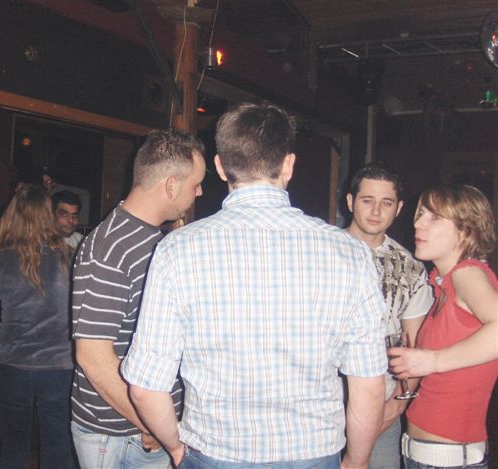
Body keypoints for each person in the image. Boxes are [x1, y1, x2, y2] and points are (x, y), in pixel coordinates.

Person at [121, 102, 387, 469]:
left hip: (214, 455)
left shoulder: (177, 251)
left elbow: (145, 387)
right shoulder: (351, 253)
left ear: (219, 167)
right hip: (313, 455)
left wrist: (177, 449)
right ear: (288, 165)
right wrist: (357, 461)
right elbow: (369, 384)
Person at [71, 128, 206, 469]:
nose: (199, 192)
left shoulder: (153, 239)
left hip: (144, 428)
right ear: (171, 185)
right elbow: (93, 357)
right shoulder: (111, 247)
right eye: (196, 184)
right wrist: (153, 424)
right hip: (117, 433)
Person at [0, 185, 76, 469]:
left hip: (12, 367)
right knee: (58, 449)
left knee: (13, 451)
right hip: (59, 369)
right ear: (48, 217)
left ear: (12, 216)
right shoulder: (69, 257)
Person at [389, 184, 498, 469]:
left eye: (434, 217)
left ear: (465, 231)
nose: (418, 223)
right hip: (424, 454)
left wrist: (434, 360)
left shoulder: (468, 273)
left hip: (448, 460)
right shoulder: (443, 283)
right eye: (420, 214)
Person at [345, 164, 434, 469]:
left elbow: (416, 348)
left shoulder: (411, 269)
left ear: (398, 209)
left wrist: (394, 408)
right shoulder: (322, 253)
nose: (375, 211)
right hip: (320, 412)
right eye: (367, 200)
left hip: (381, 411)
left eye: (386, 203)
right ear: (350, 202)